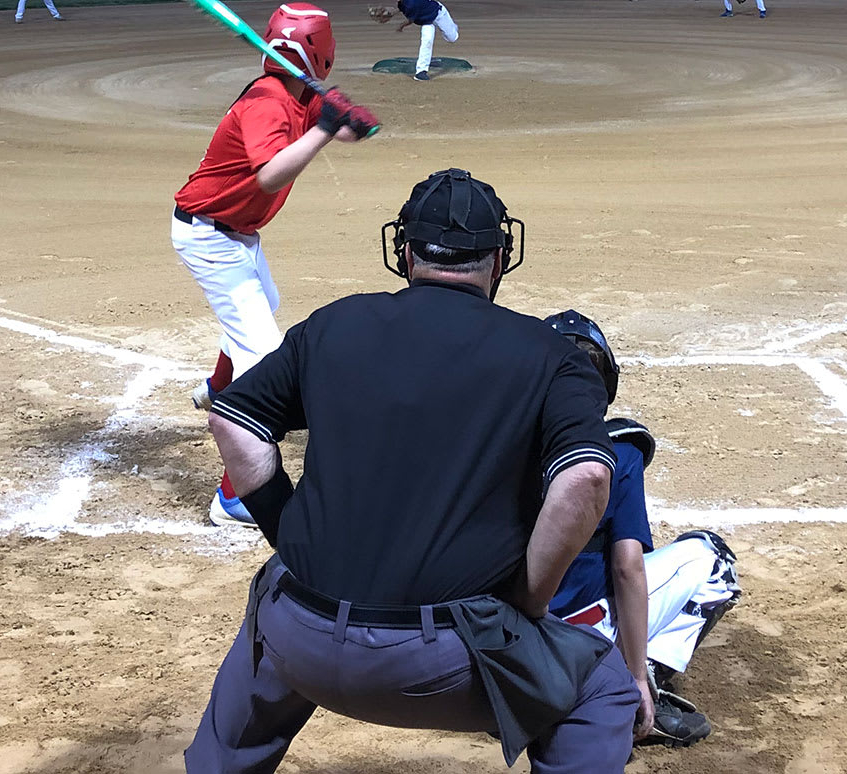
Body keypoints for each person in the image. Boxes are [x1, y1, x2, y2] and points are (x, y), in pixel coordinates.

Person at [189, 168, 641, 772]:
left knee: (271, 604)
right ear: (500, 258)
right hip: (444, 662)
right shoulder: (551, 356)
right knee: (602, 689)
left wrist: (289, 536)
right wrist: (530, 601)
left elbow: (233, 420)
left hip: (300, 638)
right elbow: (585, 478)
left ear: (403, 252)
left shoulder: (333, 324)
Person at [174, 3, 379, 525]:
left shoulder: (297, 91)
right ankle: (233, 496)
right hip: (210, 238)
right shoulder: (268, 101)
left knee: (266, 306)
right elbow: (268, 175)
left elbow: (339, 131)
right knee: (263, 358)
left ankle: (218, 387)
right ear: (322, 52)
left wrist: (345, 119)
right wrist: (324, 127)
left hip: (237, 235)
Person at [544, 311, 740, 749]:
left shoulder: (496, 444)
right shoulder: (618, 453)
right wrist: (631, 677)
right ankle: (638, 688)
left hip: (506, 638)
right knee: (713, 559)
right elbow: (627, 569)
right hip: (583, 634)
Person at [385, 0, 458, 81]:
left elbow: (410, 20)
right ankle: (421, 71)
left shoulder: (411, 3)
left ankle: (452, 26)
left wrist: (400, 26)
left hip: (438, 14)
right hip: (427, 21)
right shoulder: (403, 0)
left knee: (452, 38)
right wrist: (392, 13)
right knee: (426, 41)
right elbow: (402, 8)